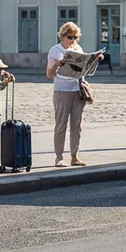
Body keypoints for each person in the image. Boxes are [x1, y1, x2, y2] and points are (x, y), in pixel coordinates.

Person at [47, 22, 87, 167]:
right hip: (62, 90)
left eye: (76, 37)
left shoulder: (78, 49)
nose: (73, 40)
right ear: (62, 36)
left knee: (77, 125)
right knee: (61, 125)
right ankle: (59, 157)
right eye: (70, 37)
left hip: (77, 89)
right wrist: (58, 64)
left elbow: (83, 68)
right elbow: (49, 75)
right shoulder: (55, 50)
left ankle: (75, 156)